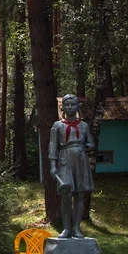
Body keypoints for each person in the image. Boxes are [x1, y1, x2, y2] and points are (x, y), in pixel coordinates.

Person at [48, 93, 94, 239]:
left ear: (77, 106)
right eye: (67, 104)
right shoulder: (57, 125)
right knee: (66, 194)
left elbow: (91, 142)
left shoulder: (84, 125)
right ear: (62, 107)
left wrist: (88, 145)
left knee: (79, 194)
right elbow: (52, 146)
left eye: (73, 104)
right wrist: (52, 165)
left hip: (81, 160)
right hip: (64, 160)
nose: (70, 107)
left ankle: (77, 228)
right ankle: (66, 228)